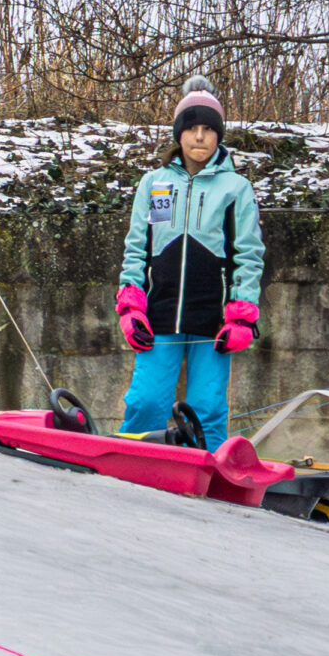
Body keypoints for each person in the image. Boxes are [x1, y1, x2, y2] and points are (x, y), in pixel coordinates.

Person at [116, 85, 263, 448]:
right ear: (178, 133)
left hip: (213, 322)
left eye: (209, 129)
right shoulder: (155, 184)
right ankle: (129, 472)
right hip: (158, 315)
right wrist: (131, 307)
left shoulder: (236, 188)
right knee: (146, 401)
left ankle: (209, 487)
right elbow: (137, 248)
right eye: (192, 128)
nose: (200, 136)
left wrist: (241, 316)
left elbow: (249, 253)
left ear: (219, 135)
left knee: (207, 409)